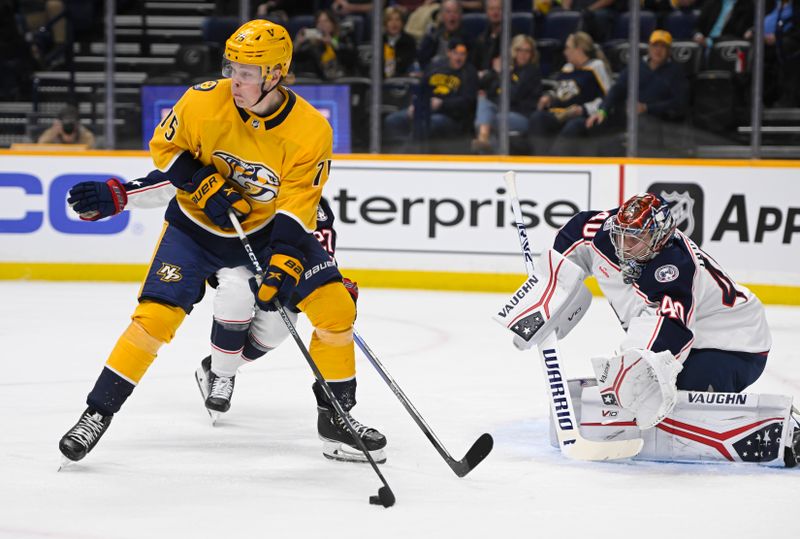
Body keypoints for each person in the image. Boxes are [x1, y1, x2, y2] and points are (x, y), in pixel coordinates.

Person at [58, 19, 386, 466]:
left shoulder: (311, 130)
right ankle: (97, 412)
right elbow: (166, 152)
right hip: (195, 230)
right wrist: (199, 181)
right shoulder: (202, 99)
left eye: (248, 73)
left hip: (267, 230)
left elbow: (297, 204)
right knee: (153, 319)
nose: (236, 80)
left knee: (335, 308)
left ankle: (336, 420)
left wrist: (286, 258)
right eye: (233, 68)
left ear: (275, 74)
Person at [495, 192, 799, 466]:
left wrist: (633, 367)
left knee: (667, 397)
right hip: (697, 334)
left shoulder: (675, 267)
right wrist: (544, 294)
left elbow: (671, 332)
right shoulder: (601, 232)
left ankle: (787, 432)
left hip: (735, 344)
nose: (624, 247)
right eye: (621, 235)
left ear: (659, 238)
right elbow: (572, 240)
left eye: (635, 239)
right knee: (639, 395)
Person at [66, 173, 353, 421]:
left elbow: (319, 252)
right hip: (226, 254)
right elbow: (175, 177)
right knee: (236, 292)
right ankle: (223, 374)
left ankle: (215, 366)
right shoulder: (238, 166)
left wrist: (333, 283)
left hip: (274, 268)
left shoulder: (311, 205)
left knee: (277, 330)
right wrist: (123, 193)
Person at [553, 29, 689, 156]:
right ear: (649, 47)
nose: (658, 50)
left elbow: (679, 103)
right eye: (655, 45)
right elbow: (617, 89)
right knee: (577, 125)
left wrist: (647, 108)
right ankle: (552, 163)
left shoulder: (676, 72)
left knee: (624, 138)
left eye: (663, 46)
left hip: (656, 121)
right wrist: (602, 111)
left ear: (669, 50)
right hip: (626, 117)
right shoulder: (637, 66)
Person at [383, 37, 478, 150]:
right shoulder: (436, 67)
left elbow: (468, 102)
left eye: (462, 54)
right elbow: (420, 88)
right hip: (424, 110)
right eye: (455, 53)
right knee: (392, 120)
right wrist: (414, 105)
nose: (458, 58)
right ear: (448, 53)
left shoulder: (469, 73)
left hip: (450, 117)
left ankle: (406, 156)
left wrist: (442, 104)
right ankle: (396, 154)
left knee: (426, 123)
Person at [527, 31, 612, 155]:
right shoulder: (567, 68)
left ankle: (554, 162)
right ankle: (539, 160)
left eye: (567, 48)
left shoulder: (596, 67)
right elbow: (559, 90)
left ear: (579, 49)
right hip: (559, 114)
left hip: (582, 117)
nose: (564, 52)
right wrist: (549, 96)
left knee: (573, 126)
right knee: (537, 118)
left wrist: (583, 109)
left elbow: (608, 97)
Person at [471, 34, 542, 154]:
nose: (523, 54)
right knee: (483, 102)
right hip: (501, 112)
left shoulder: (531, 72)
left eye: (527, 51)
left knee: (486, 122)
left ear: (532, 54)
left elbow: (512, 96)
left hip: (521, 116)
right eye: (519, 50)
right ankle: (486, 145)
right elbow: (492, 93)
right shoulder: (509, 69)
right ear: (513, 51)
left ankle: (487, 151)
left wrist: (501, 75)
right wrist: (496, 73)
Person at [745, 0, 800, 107]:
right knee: (748, 50)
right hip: (762, 40)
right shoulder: (770, 4)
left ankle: (784, 99)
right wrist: (752, 30)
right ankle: (749, 98)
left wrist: (778, 37)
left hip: (786, 40)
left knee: (783, 47)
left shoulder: (796, 6)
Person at [292, 9, 358, 80]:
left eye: (325, 21)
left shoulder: (343, 37)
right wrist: (297, 43)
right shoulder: (314, 44)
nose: (322, 24)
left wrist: (332, 43)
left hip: (344, 80)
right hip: (320, 83)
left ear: (333, 24)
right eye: (319, 22)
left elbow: (352, 56)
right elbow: (297, 58)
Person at [417, 0, 473, 69]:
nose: (452, 15)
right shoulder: (433, 35)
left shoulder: (467, 38)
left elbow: (471, 63)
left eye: (455, 12)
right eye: (448, 12)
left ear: (461, 15)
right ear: (441, 15)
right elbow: (423, 60)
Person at [382, 6, 417, 78]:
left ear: (402, 23)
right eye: (390, 20)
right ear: (385, 23)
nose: (394, 23)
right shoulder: (380, 41)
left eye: (397, 20)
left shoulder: (409, 41)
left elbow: (407, 63)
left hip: (402, 79)